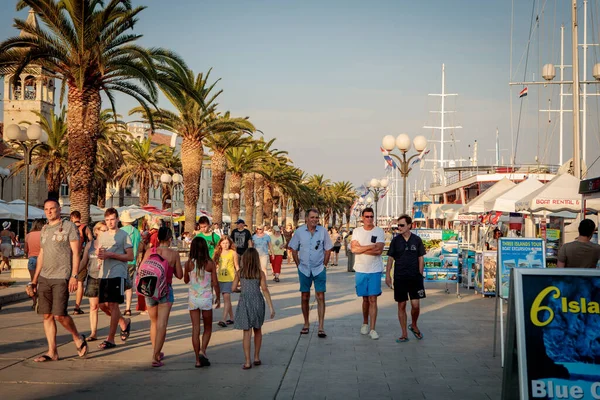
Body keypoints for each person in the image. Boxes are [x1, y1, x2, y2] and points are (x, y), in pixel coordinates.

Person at [29, 199, 88, 362]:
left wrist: (74, 276)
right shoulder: (45, 229)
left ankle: (77, 337)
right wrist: (34, 280)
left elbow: (76, 253)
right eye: (46, 209)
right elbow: (41, 254)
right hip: (44, 277)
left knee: (59, 315)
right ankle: (52, 351)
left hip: (62, 276)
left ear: (59, 209)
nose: (49, 211)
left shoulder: (69, 227)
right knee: (47, 315)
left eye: (52, 208)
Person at [141, 227, 183, 367]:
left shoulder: (149, 251)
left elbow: (142, 269)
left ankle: (156, 351)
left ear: (158, 238)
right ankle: (155, 356)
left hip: (150, 289)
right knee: (162, 324)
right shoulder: (173, 254)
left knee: (153, 322)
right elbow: (180, 275)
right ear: (170, 239)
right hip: (165, 289)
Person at [288, 208, 333, 338]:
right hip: (304, 269)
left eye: (316, 218)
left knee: (320, 296)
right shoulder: (299, 232)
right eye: (312, 217)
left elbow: (328, 249)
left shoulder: (323, 231)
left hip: (319, 269)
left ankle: (321, 327)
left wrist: (324, 265)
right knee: (305, 297)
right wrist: (298, 265)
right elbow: (293, 248)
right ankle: (306, 324)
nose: (314, 220)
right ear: (307, 218)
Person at [96, 208, 134, 350]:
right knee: (102, 305)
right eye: (107, 220)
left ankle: (110, 339)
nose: (110, 222)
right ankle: (123, 321)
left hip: (118, 272)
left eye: (112, 219)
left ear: (117, 219)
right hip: (104, 273)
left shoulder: (124, 235)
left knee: (113, 304)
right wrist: (99, 257)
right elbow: (100, 253)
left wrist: (111, 254)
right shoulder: (102, 236)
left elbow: (130, 256)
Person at [232, 248, 275, 370]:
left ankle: (247, 361)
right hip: (257, 301)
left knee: (246, 332)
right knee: (257, 330)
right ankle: (256, 357)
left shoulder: (240, 273)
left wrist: (241, 290)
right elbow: (265, 289)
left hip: (244, 301)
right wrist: (271, 307)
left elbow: (233, 288)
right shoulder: (260, 273)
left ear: (244, 259)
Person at [385, 214, 426, 343]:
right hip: (400, 277)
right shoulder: (395, 241)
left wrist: (420, 274)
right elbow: (390, 258)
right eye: (398, 225)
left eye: (402, 225)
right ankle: (404, 333)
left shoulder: (417, 240)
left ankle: (413, 324)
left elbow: (421, 258)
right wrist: (388, 275)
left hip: (415, 278)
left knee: (415, 305)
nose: (399, 228)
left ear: (409, 226)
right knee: (401, 305)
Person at [184, 237, 220, 367]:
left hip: (193, 298)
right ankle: (203, 350)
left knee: (195, 328)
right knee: (208, 327)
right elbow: (215, 282)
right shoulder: (210, 263)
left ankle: (197, 360)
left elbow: (185, 280)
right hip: (206, 298)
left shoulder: (189, 263)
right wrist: (218, 296)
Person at [350, 207, 385, 340]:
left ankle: (372, 328)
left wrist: (361, 249)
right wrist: (371, 246)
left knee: (373, 298)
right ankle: (365, 322)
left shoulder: (379, 231)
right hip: (361, 269)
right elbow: (353, 249)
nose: (369, 219)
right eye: (367, 216)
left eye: (371, 216)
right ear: (362, 218)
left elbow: (379, 251)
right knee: (365, 299)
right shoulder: (357, 231)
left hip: (375, 269)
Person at [80, 221, 108, 341]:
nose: (106, 232)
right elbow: (84, 261)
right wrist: (75, 274)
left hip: (106, 277)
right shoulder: (90, 245)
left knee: (105, 305)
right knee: (93, 306)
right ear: (96, 231)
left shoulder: (110, 244)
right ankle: (93, 333)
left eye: (107, 230)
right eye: (103, 230)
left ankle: (122, 321)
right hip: (92, 277)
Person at [70, 211, 93, 315]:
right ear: (80, 217)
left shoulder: (68, 228)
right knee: (80, 283)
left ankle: (62, 306)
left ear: (71, 218)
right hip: (81, 258)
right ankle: (76, 307)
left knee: (65, 282)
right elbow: (91, 241)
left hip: (69, 258)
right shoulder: (85, 228)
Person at [213, 236, 239, 327]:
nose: (225, 245)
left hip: (230, 278)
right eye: (223, 243)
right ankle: (232, 318)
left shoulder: (233, 253)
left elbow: (236, 266)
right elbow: (214, 265)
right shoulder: (218, 253)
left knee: (226, 297)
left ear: (230, 243)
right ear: (220, 244)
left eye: (227, 243)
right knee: (227, 299)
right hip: (220, 278)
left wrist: (238, 279)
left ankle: (223, 319)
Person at [120, 211, 141, 316]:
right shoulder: (137, 232)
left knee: (119, 283)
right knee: (129, 285)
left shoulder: (120, 231)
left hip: (121, 260)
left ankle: (116, 305)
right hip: (132, 261)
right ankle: (128, 308)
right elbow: (139, 247)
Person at [25, 219, 44, 310]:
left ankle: (34, 302)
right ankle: (41, 302)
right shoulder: (43, 234)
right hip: (43, 259)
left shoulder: (28, 235)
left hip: (32, 259)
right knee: (42, 282)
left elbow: (25, 250)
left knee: (33, 282)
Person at [136, 230, 150, 314]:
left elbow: (140, 250)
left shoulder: (144, 243)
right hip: (144, 264)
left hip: (144, 265)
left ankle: (146, 307)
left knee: (144, 286)